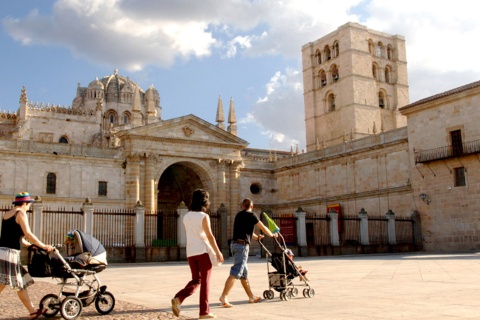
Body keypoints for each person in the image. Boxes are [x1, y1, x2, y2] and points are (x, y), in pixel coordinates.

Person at [0, 192, 55, 320]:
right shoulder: (20, 213)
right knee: (7, 283)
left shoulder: (7, 214)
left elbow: (18, 237)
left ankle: (32, 311)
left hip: (3, 251)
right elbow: (28, 234)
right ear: (25, 203)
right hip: (10, 254)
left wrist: (29, 245)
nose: (29, 207)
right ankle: (32, 311)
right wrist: (43, 246)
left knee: (20, 283)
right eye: (29, 204)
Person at [171, 189, 224, 319]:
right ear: (205, 201)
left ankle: (179, 298)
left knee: (196, 279)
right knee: (205, 282)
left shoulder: (186, 216)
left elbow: (188, 233)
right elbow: (210, 236)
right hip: (202, 252)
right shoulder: (203, 216)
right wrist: (218, 252)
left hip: (190, 252)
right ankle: (204, 312)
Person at [219, 198, 278, 307]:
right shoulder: (252, 215)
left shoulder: (238, 215)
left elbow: (247, 232)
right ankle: (224, 296)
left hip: (235, 244)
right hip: (242, 247)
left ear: (242, 206)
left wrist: (256, 238)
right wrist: (272, 235)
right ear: (252, 206)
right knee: (236, 271)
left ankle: (251, 296)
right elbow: (263, 227)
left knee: (243, 274)